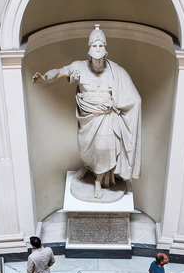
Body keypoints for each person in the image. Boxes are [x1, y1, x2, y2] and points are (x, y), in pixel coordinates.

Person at [33, 24, 141, 199]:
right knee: (89, 150)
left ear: (105, 48)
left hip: (106, 118)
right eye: (94, 45)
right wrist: (45, 77)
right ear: (89, 48)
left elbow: (134, 98)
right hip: (87, 119)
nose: (97, 49)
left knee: (103, 147)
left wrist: (123, 109)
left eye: (100, 45)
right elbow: (60, 72)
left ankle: (98, 181)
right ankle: (89, 167)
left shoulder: (116, 72)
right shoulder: (79, 68)